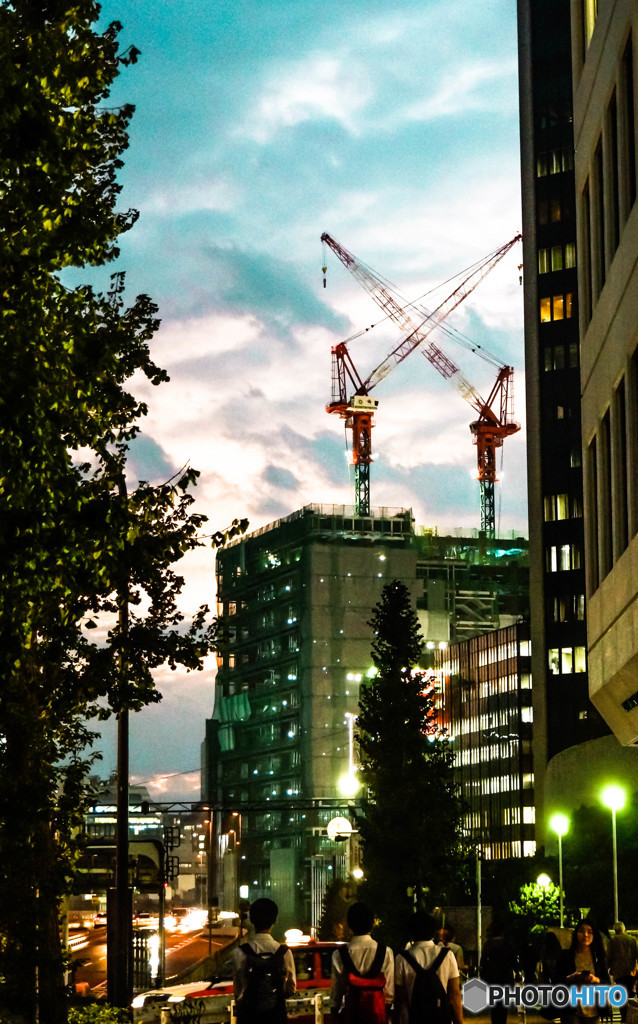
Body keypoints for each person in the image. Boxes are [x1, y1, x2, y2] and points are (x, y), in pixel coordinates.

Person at [233, 897, 296, 1023]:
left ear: (251, 920)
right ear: (274, 920)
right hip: (276, 1016)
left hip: (249, 1017)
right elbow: (291, 988)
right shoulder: (285, 952)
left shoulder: (239, 953)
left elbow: (238, 990)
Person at [395, 910, 463, 1024]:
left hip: (412, 1018)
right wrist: (458, 1021)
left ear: (411, 932)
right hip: (440, 1018)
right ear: (433, 932)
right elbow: (455, 993)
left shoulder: (401, 958)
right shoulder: (447, 955)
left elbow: (400, 998)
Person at [330, 901, 394, 1019]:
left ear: (349, 924)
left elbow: (336, 993)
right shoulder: (386, 952)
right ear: (372, 924)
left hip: (352, 1016)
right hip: (377, 1016)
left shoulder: (339, 955)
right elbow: (389, 993)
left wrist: (334, 1010)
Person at [554, 919, 610, 1024]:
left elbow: (606, 983)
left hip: (593, 1009)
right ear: (576, 934)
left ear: (595, 935)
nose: (585, 935)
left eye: (590, 932)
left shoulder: (599, 957)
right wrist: (571, 978)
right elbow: (555, 981)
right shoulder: (566, 956)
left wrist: (595, 980)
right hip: (570, 1009)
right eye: (581, 931)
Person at [479, 920, 520, 1024]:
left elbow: (483, 962)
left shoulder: (487, 945)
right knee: (503, 1007)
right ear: (502, 931)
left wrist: (483, 976)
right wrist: (517, 973)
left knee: (494, 1007)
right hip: (505, 978)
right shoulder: (508, 945)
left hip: (491, 979)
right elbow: (514, 961)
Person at [606, 922, 638, 1021]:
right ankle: (631, 1015)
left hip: (619, 972)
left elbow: (609, 957)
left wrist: (608, 968)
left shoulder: (612, 941)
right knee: (631, 994)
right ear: (624, 929)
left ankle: (624, 1016)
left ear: (615, 930)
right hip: (631, 971)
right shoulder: (632, 940)